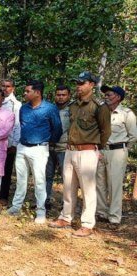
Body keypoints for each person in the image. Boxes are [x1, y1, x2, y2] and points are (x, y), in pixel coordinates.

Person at [50, 72, 111, 237]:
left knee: (88, 189)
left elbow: (105, 131)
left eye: (82, 83)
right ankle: (66, 217)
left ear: (92, 85)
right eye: (77, 83)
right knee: (68, 186)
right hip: (70, 150)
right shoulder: (73, 105)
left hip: (87, 151)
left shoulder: (99, 106)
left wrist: (98, 148)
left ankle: (87, 223)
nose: (79, 86)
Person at [7, 80, 62, 224]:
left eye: (27, 91)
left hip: (39, 149)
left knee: (39, 181)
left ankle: (41, 211)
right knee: (20, 179)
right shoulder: (23, 109)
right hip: (22, 146)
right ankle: (16, 206)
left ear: (37, 92)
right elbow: (22, 125)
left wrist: (48, 142)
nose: (24, 94)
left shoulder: (49, 108)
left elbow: (57, 129)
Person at [96, 85, 137, 230]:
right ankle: (101, 213)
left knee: (115, 184)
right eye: (105, 95)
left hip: (118, 151)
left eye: (109, 95)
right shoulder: (101, 111)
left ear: (118, 97)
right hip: (101, 150)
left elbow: (133, 136)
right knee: (99, 183)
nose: (106, 97)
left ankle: (114, 217)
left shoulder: (126, 114)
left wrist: (123, 150)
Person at [45, 85, 72, 210]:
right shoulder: (50, 108)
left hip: (64, 148)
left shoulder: (72, 109)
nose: (60, 97)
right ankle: (46, 200)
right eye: (58, 95)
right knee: (47, 175)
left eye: (63, 95)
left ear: (69, 95)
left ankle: (66, 204)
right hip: (49, 147)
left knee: (66, 176)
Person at [0, 79, 22, 205]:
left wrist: (14, 144)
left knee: (6, 171)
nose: (5, 88)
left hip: (8, 143)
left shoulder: (16, 104)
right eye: (3, 86)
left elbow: (17, 125)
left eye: (8, 86)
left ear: (13, 88)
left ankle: (3, 197)